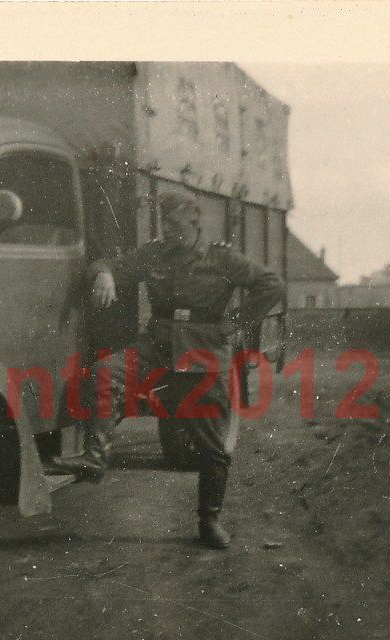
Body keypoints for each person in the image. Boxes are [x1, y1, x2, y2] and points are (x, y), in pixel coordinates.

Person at [52, 190, 285, 549]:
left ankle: (209, 521)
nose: (167, 230)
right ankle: (96, 457)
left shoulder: (221, 258)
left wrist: (237, 323)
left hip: (204, 351)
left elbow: (271, 284)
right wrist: (105, 276)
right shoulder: (154, 254)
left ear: (194, 223)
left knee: (212, 449)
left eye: (174, 223)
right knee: (103, 372)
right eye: (163, 223)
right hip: (157, 345)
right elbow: (108, 264)